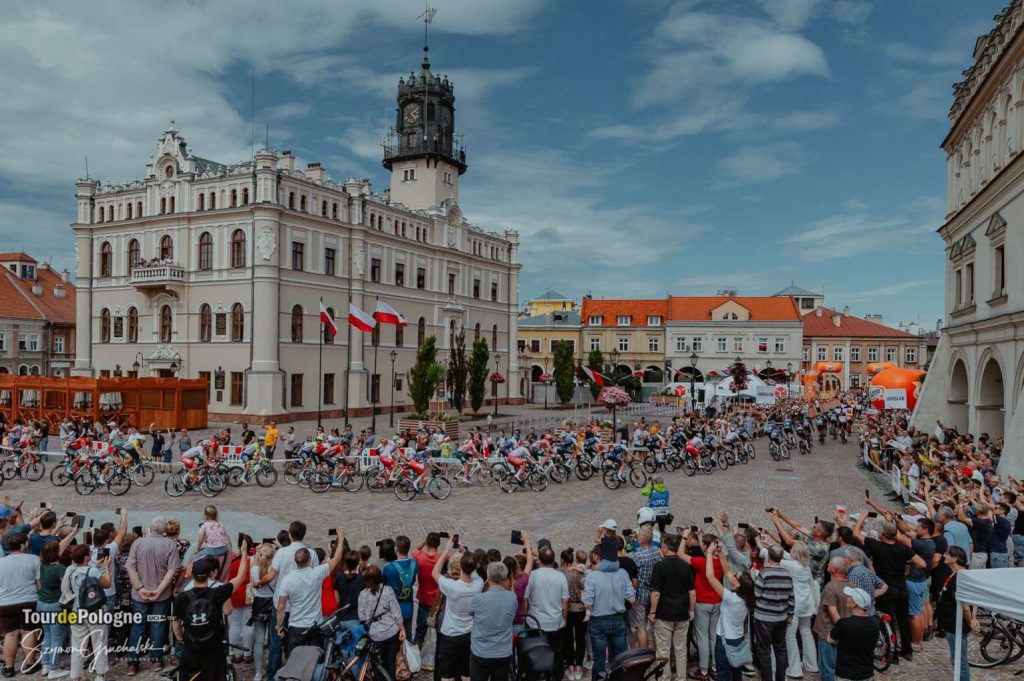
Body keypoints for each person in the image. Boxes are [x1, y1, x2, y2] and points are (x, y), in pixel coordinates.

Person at [171, 546, 250, 681]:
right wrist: (243, 553)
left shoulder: (183, 597)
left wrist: (181, 639)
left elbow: (175, 623)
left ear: (193, 575)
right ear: (210, 575)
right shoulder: (218, 593)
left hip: (191, 648)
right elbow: (240, 577)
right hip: (213, 649)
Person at [255, 520, 318, 678]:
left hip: (282, 605)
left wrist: (259, 582)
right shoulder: (312, 554)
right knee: (297, 644)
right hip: (302, 605)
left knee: (276, 644)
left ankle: (274, 675)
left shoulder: (282, 553)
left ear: (290, 534)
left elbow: (271, 576)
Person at [125, 516, 182, 674]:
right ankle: (156, 660)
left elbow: (131, 567)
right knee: (158, 626)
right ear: (163, 529)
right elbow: (172, 571)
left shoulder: (138, 543)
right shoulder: (170, 545)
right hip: (161, 594)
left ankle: (132, 662)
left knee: (138, 626)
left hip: (140, 594)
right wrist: (159, 590)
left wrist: (140, 587)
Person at [276, 527, 344, 653]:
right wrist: (340, 539)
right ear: (309, 561)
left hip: (296, 626)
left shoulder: (287, 580)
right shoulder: (316, 573)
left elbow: (281, 606)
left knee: (294, 661)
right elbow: (336, 559)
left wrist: (279, 625)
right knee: (314, 659)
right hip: (314, 626)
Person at [582, 536, 635, 681]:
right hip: (618, 619)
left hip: (598, 620)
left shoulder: (592, 576)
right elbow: (632, 599)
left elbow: (587, 603)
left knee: (599, 660)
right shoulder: (623, 574)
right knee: (620, 658)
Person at [433, 537, 484, 681]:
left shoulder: (453, 587)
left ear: (460, 566)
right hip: (469, 632)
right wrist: (465, 552)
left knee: (447, 675)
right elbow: (473, 569)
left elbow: (435, 572)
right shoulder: (478, 584)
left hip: (451, 634)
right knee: (466, 673)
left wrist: (446, 550)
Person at [704, 540, 755, 681]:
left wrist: (709, 553)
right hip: (737, 640)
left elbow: (710, 576)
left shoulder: (731, 598)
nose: (733, 576)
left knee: (724, 675)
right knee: (736, 674)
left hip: (724, 641)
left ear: (738, 585)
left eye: (736, 577)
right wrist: (720, 552)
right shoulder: (747, 597)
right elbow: (727, 571)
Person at [647, 533, 694, 681]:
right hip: (682, 612)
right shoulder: (686, 566)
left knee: (663, 649)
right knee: (681, 649)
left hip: (664, 613)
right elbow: (692, 593)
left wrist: (652, 611)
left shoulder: (660, 566)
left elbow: (655, 593)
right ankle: (681, 677)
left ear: (666, 548)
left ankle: (665, 676)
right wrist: (691, 610)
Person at [64, 543, 111, 681]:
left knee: (77, 644)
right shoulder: (93, 571)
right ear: (86, 557)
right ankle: (100, 674)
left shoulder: (70, 570)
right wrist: (106, 567)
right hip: (94, 611)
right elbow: (107, 584)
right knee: (99, 641)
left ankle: (76, 675)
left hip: (76, 610)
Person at [525, 545, 569, 681]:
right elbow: (565, 602)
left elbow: (525, 599)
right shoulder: (560, 576)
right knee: (556, 653)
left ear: (540, 559)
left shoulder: (532, 576)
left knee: (535, 653)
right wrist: (564, 618)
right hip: (555, 622)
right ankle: (557, 675)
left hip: (535, 623)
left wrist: (527, 615)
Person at [0, 532, 41, 677]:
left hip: (5, 603)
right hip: (28, 601)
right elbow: (39, 584)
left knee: (10, 635)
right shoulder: (34, 559)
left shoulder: (1, 562)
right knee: (28, 632)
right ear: (23, 544)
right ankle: (30, 664)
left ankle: (9, 668)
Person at [469, 561, 517, 681]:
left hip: (481, 651)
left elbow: (470, 612)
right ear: (505, 578)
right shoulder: (512, 598)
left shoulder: (479, 598)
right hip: (503, 652)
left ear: (488, 577)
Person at [753, 544, 794, 681]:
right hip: (781, 617)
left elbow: (757, 594)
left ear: (768, 556)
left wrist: (754, 577)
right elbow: (791, 598)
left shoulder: (764, 573)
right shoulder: (788, 574)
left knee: (764, 652)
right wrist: (790, 616)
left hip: (764, 618)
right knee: (781, 651)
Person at [358, 564, 406, 681]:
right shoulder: (388, 590)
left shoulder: (363, 595)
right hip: (392, 631)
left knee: (379, 664)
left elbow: (362, 617)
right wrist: (402, 629)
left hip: (376, 635)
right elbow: (396, 612)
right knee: (390, 662)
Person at [935, 546, 977, 681]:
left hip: (956, 625)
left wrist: (971, 620)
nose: (944, 555)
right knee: (957, 657)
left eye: (947, 554)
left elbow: (965, 606)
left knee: (959, 659)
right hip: (953, 624)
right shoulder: (958, 574)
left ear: (954, 559)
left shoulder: (960, 577)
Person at [779, 541, 818, 678]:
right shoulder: (806, 566)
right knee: (806, 633)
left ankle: (795, 669)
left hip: (794, 604)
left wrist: (763, 544)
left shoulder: (791, 565)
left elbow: (777, 557)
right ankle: (812, 664)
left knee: (790, 636)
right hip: (807, 604)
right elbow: (787, 556)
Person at [813, 556, 852, 681]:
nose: (827, 565)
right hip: (846, 632)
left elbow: (833, 613)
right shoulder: (853, 586)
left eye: (829, 564)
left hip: (829, 633)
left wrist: (840, 632)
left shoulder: (831, 587)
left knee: (827, 668)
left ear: (834, 570)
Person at [827, 588, 879, 681]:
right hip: (867, 673)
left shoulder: (845, 623)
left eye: (850, 597)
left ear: (854, 604)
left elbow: (830, 639)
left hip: (846, 674)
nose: (847, 598)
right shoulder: (875, 622)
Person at [36, 541, 69, 679]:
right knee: (57, 638)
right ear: (57, 553)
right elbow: (66, 586)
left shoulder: (41, 565)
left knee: (47, 635)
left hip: (41, 603)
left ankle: (45, 664)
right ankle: (54, 668)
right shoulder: (60, 568)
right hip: (55, 605)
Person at [381, 534, 417, 638]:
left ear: (396, 548)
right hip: (408, 605)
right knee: (408, 635)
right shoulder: (414, 565)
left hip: (394, 609)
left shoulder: (388, 567)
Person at [560, 548, 587, 681]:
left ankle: (570, 667)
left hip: (567, 608)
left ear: (563, 560)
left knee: (568, 639)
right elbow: (585, 587)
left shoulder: (561, 574)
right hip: (580, 608)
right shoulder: (578, 573)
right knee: (581, 640)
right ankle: (579, 667)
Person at [412, 532, 442, 648]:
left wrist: (425, 540)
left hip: (424, 600)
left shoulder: (419, 557)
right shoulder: (442, 559)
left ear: (427, 543)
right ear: (438, 544)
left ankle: (415, 659)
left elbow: (415, 549)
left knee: (419, 634)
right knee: (440, 635)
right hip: (438, 603)